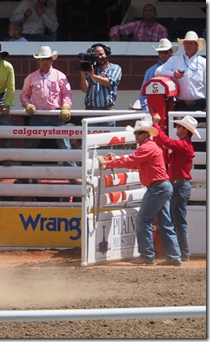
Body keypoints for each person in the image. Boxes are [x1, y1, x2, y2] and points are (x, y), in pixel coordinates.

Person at [97, 120, 182, 266]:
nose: (136, 135)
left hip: (157, 187)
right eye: (136, 132)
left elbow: (132, 161)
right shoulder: (149, 147)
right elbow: (134, 161)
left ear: (146, 134)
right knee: (165, 222)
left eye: (139, 132)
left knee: (143, 220)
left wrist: (108, 163)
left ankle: (147, 255)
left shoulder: (147, 148)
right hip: (161, 186)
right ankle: (174, 256)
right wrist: (115, 159)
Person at [20, 46, 76, 173]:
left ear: (52, 60)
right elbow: (24, 95)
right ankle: (22, 174)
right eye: (41, 59)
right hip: (37, 116)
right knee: (30, 146)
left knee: (65, 145)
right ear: (38, 61)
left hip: (56, 115)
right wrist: (27, 104)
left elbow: (67, 94)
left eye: (46, 59)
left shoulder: (60, 76)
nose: (44, 61)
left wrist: (66, 107)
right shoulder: (31, 78)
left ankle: (73, 174)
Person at [152, 114, 199, 261]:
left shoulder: (183, 146)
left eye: (179, 126)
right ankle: (181, 253)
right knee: (177, 220)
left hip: (179, 186)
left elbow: (165, 141)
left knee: (177, 221)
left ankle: (182, 253)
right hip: (179, 185)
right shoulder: (184, 146)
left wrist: (156, 125)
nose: (177, 128)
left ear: (185, 130)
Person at [154, 31, 206, 112]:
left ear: (197, 46)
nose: (188, 45)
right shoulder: (174, 60)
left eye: (191, 43)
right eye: (186, 43)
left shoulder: (204, 62)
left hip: (200, 105)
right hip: (181, 105)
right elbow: (158, 71)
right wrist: (173, 74)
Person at [78, 43, 122, 126]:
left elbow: (110, 83)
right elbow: (84, 89)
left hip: (107, 111)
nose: (99, 57)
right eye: (96, 55)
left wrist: (93, 76)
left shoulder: (115, 68)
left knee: (108, 138)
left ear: (107, 54)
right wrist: (83, 75)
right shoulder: (90, 68)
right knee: (89, 138)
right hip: (90, 111)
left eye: (101, 54)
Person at [137, 38, 177, 111]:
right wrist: (148, 110)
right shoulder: (152, 71)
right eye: (160, 52)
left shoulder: (176, 69)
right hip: (158, 108)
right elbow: (143, 94)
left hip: (176, 106)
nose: (162, 55)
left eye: (165, 52)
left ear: (171, 52)